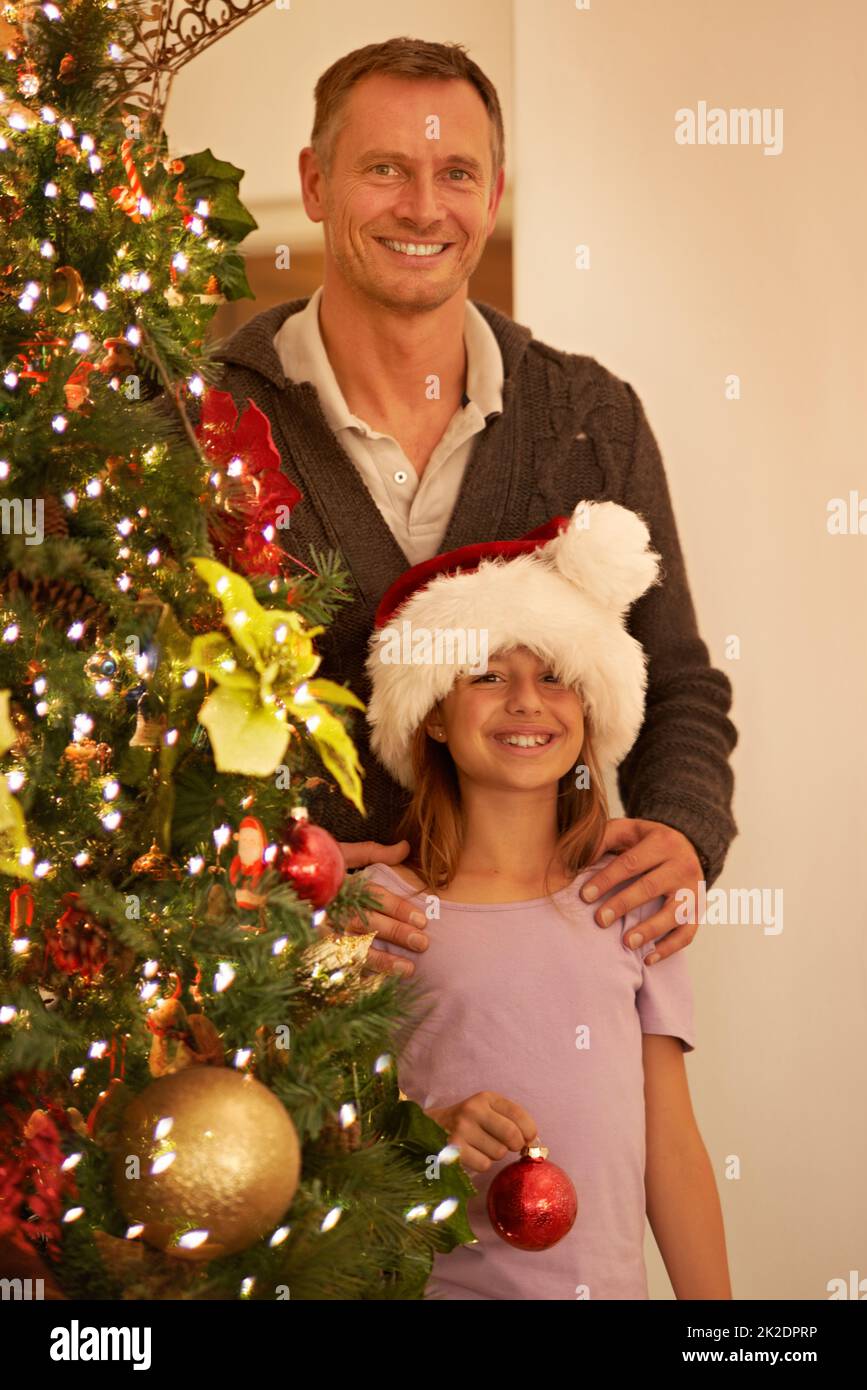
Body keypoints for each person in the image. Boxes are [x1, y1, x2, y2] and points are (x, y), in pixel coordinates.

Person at [214, 37, 738, 973]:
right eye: (384, 169)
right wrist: (261, 891)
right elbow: (126, 723)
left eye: (455, 171)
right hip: (265, 1003)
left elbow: (680, 681)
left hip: (532, 981)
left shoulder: (588, 417)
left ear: (491, 194)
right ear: (316, 181)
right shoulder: (195, 424)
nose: (423, 207)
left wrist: (684, 829)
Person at [359, 499, 732, 1300]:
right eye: (487, 674)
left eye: (555, 677)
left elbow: (671, 1145)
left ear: (589, 709)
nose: (527, 700)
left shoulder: (628, 898)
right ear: (429, 716)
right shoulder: (382, 907)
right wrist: (428, 1140)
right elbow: (326, 1140)